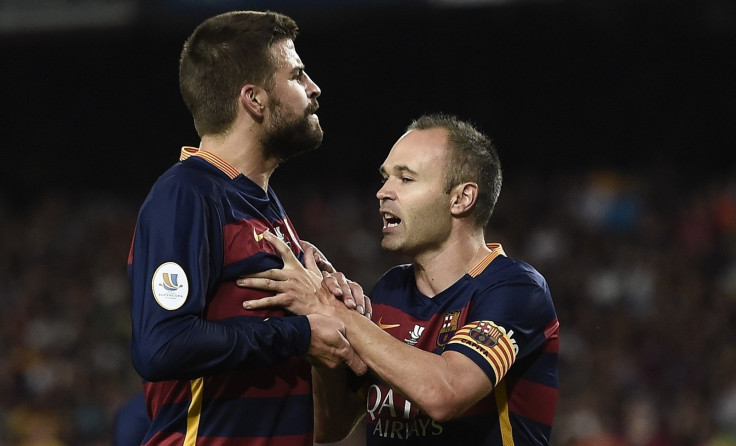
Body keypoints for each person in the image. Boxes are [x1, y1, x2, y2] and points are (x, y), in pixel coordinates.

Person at [237, 113, 560, 445]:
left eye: (405, 179)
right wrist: (324, 327)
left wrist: (342, 317)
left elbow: (444, 394)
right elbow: (329, 427)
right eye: (385, 177)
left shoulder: (516, 289)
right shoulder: (391, 290)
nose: (382, 192)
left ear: (461, 199)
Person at [127, 10, 366, 445]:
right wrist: (302, 334)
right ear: (253, 99)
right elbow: (161, 345)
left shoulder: (265, 208)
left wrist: (337, 310)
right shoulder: (186, 195)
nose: (314, 88)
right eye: (297, 75)